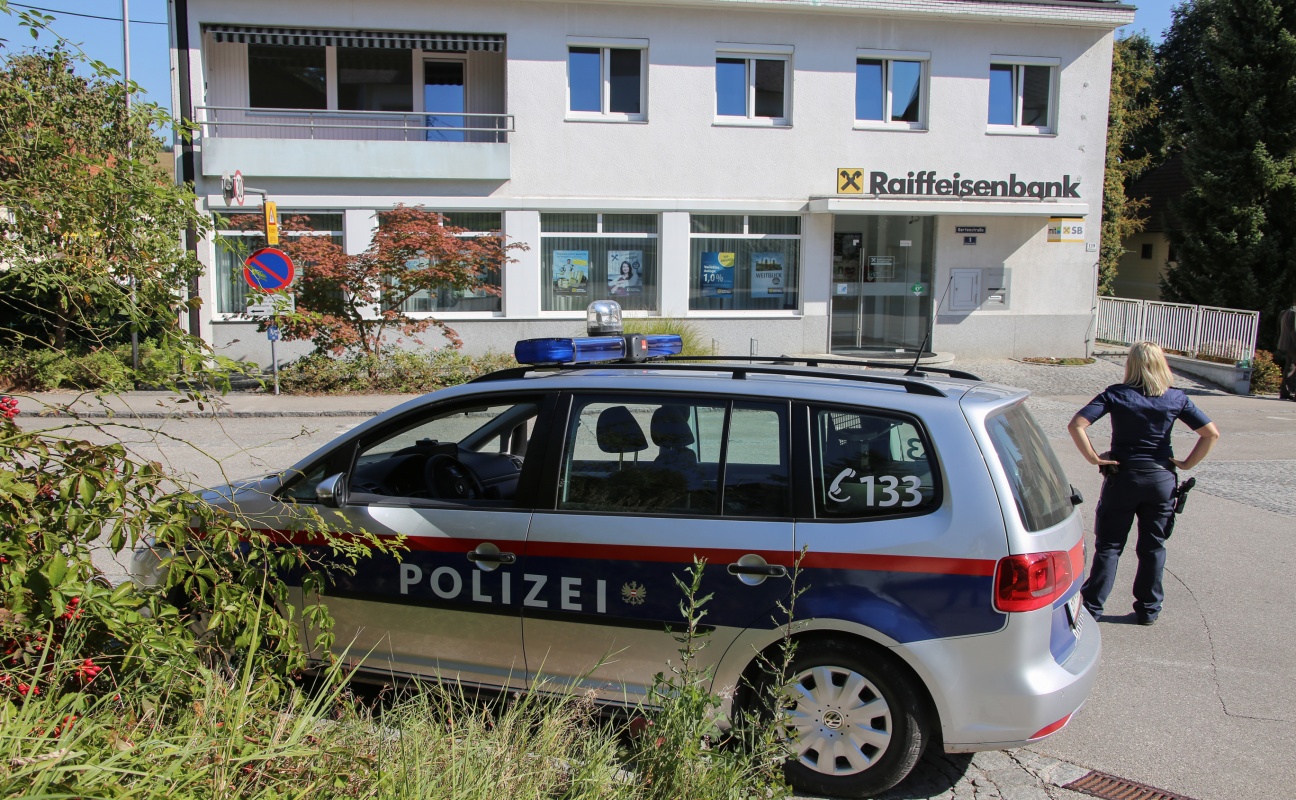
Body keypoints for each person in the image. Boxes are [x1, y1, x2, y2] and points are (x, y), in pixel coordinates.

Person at [1068, 341, 1220, 625]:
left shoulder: (1116, 395)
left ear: (1131, 365)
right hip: (1161, 479)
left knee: (1110, 545)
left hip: (1124, 478)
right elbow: (1210, 433)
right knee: (1153, 546)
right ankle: (1149, 609)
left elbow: (1077, 424)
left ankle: (1093, 606)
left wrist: (1094, 458)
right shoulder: (1176, 398)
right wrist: (1186, 464)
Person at [1278, 297, 1296, 401]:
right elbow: (1294, 331)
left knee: (1289, 367)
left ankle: (1285, 392)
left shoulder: (1287, 311)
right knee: (1290, 368)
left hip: (1287, 344)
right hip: (1294, 345)